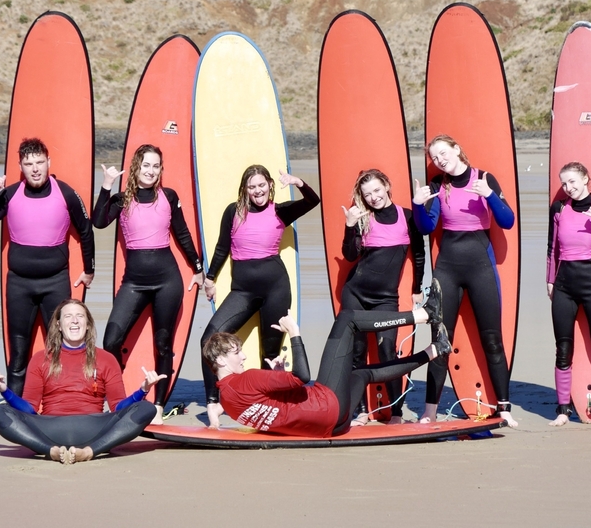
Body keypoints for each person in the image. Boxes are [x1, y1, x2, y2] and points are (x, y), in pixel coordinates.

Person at [202, 295, 448, 437]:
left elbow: (270, 406)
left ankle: (436, 349)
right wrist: (294, 333)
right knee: (348, 319)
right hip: (327, 406)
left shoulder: (228, 403)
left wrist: (276, 379)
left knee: (362, 374)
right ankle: (425, 314)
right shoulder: (246, 379)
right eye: (237, 353)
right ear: (221, 360)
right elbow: (302, 376)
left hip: (333, 428)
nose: (243, 357)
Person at [200, 165, 320, 428]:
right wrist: (209, 278)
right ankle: (213, 405)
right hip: (243, 291)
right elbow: (222, 247)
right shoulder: (234, 211)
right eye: (252, 186)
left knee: (271, 351)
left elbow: (313, 200)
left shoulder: (280, 211)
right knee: (209, 338)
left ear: (269, 185)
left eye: (261, 185)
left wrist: (297, 181)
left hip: (276, 289)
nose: (258, 191)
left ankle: (267, 408)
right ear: (245, 189)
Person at [412, 134, 518, 427]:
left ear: (457, 149)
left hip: (481, 267)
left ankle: (504, 407)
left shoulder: (484, 179)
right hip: (447, 269)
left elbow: (507, 221)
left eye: (444, 152)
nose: (440, 159)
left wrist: (489, 195)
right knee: (440, 341)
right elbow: (426, 227)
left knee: (493, 340)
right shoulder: (437, 187)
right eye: (435, 157)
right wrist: (418, 205)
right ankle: (430, 410)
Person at [92, 144, 203, 423]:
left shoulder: (168, 196)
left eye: (155, 166)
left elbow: (183, 234)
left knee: (163, 345)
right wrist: (106, 186)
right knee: (111, 340)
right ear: (136, 168)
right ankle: (117, 401)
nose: (151, 171)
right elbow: (98, 221)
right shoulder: (121, 199)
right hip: (134, 282)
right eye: (145, 166)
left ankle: (160, 407)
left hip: (168, 280)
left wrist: (198, 268)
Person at [0, 137, 94, 396]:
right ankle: (17, 408)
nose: (36, 168)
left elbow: (85, 230)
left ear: (49, 162)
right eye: (29, 164)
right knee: (19, 350)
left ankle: (60, 401)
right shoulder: (9, 194)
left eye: (40, 162)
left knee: (60, 347)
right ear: (21, 165)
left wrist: (89, 269)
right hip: (19, 284)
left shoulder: (66, 193)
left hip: (56, 281)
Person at [0, 299, 160, 463]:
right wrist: (5, 391)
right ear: (59, 325)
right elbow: (29, 408)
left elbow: (118, 408)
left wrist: (143, 390)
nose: (75, 321)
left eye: (80, 316)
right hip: (49, 428)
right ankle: (50, 450)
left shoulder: (106, 359)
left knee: (146, 408)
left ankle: (90, 451)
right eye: (68, 316)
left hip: (95, 428)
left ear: (88, 324)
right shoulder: (40, 359)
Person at [339, 168, 427, 425]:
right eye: (367, 194)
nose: (373, 197)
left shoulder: (406, 217)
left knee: (387, 351)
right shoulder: (363, 218)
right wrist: (349, 227)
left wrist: (416, 288)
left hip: (386, 298)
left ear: (387, 186)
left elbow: (419, 255)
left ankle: (396, 413)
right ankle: (360, 411)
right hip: (355, 292)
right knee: (357, 352)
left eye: (377, 190)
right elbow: (350, 256)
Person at [547, 162, 591, 429]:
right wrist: (550, 280)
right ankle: (563, 410)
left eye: (573, 182)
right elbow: (552, 247)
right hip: (564, 286)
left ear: (586, 179)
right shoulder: (559, 209)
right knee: (563, 350)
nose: (569, 188)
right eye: (564, 184)